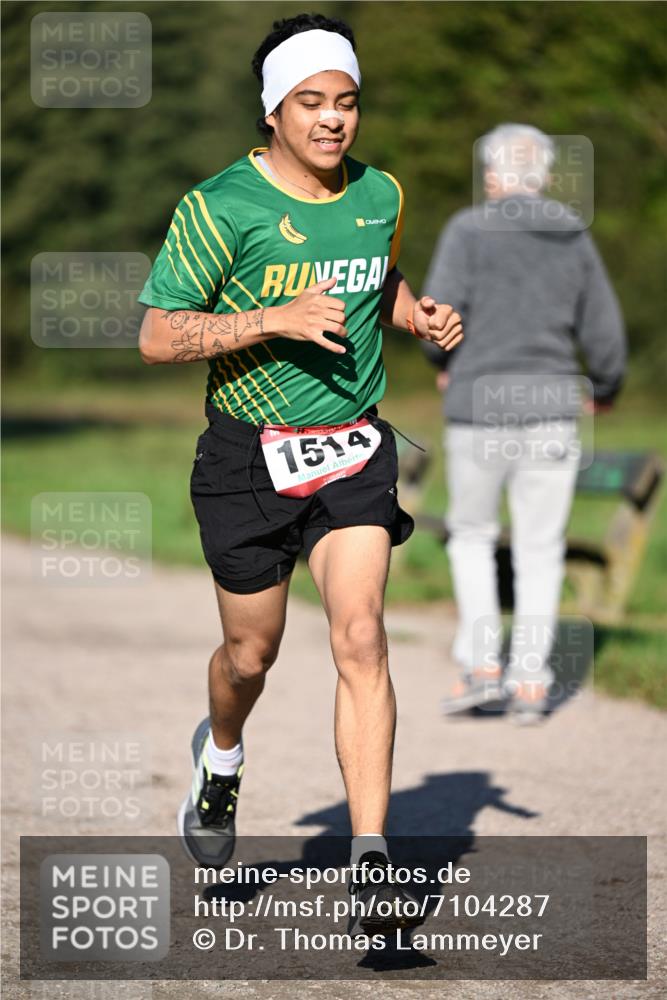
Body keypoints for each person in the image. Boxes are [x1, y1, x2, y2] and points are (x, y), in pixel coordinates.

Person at [137, 12, 463, 934]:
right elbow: (157, 335)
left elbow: (375, 280)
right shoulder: (219, 207)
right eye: (311, 101)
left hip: (352, 446)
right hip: (246, 455)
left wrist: (416, 315)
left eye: (346, 102)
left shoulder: (380, 193)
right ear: (273, 111)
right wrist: (269, 320)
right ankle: (221, 756)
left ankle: (371, 857)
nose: (332, 119)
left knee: (361, 637)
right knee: (251, 655)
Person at [422, 123, 626, 722]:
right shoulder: (573, 233)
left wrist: (444, 362)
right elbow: (604, 331)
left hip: (478, 407)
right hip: (552, 408)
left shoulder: (467, 229)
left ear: (493, 176)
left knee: (472, 536)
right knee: (541, 547)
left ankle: (484, 669)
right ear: (545, 176)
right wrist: (605, 387)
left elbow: (437, 317)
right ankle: (532, 683)